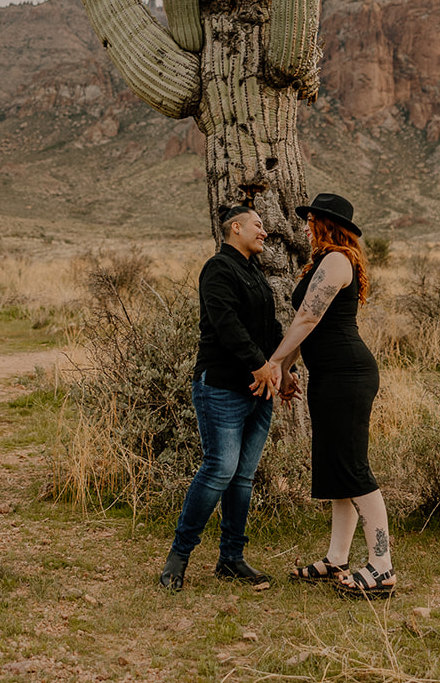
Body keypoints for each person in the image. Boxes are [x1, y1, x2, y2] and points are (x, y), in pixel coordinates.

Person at [270, 192, 395, 599]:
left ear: (328, 225)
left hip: (348, 375)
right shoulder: (324, 262)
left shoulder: (338, 260)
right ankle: (336, 558)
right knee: (337, 471)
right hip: (329, 375)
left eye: (312, 220)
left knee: (353, 468)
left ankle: (381, 566)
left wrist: (274, 361)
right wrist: (287, 367)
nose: (307, 226)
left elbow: (308, 316)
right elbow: (307, 326)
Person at [158, 202, 282, 592]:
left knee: (242, 477)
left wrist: (284, 369)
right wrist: (260, 366)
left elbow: (270, 327)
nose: (264, 232)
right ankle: (179, 557)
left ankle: (231, 558)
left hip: (260, 390)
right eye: (257, 225)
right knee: (219, 469)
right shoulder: (218, 268)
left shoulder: (254, 272)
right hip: (222, 388)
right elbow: (226, 324)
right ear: (235, 228)